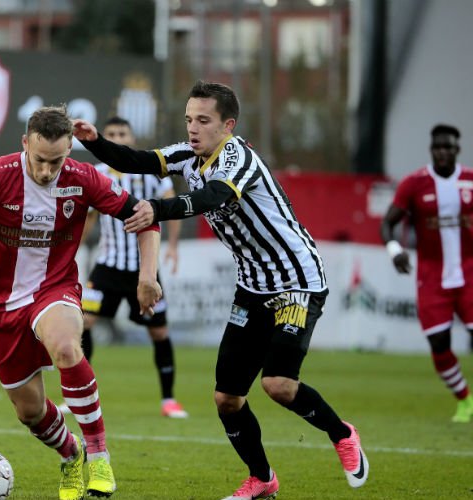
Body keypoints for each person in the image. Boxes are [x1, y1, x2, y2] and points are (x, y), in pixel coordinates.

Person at [73, 80, 369, 500]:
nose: (193, 128)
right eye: (189, 119)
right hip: (252, 286)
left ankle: (342, 434)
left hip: (296, 280)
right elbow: (138, 160)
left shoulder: (240, 159)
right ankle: (262, 478)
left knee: (278, 384)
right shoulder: (188, 155)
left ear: (228, 125)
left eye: (203, 121)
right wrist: (96, 142)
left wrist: (157, 209)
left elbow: (213, 197)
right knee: (227, 399)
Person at [0, 105, 162, 500]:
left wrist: (147, 275)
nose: (48, 171)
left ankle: (99, 456)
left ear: (70, 151)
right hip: (0, 304)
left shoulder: (84, 179)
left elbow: (147, 219)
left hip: (55, 288)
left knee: (67, 346)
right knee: (29, 412)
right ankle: (71, 454)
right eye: (40, 160)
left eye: (57, 161)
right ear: (24, 143)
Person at [78, 116, 188, 419]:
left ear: (132, 137)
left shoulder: (152, 172)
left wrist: (174, 246)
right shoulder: (98, 173)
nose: (115, 137)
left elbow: (172, 206)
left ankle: (168, 400)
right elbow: (87, 218)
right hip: (107, 267)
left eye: (121, 133)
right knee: (83, 323)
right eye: (110, 133)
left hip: (144, 270)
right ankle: (78, 395)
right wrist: (71, 253)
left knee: (159, 331)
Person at [380, 123, 473, 424]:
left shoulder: (470, 181)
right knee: (438, 345)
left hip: (470, 274)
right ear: (431, 150)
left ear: (457, 149)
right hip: (432, 278)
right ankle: (465, 400)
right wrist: (395, 250)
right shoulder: (414, 184)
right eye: (438, 147)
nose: (443, 152)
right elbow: (387, 224)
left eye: (448, 147)